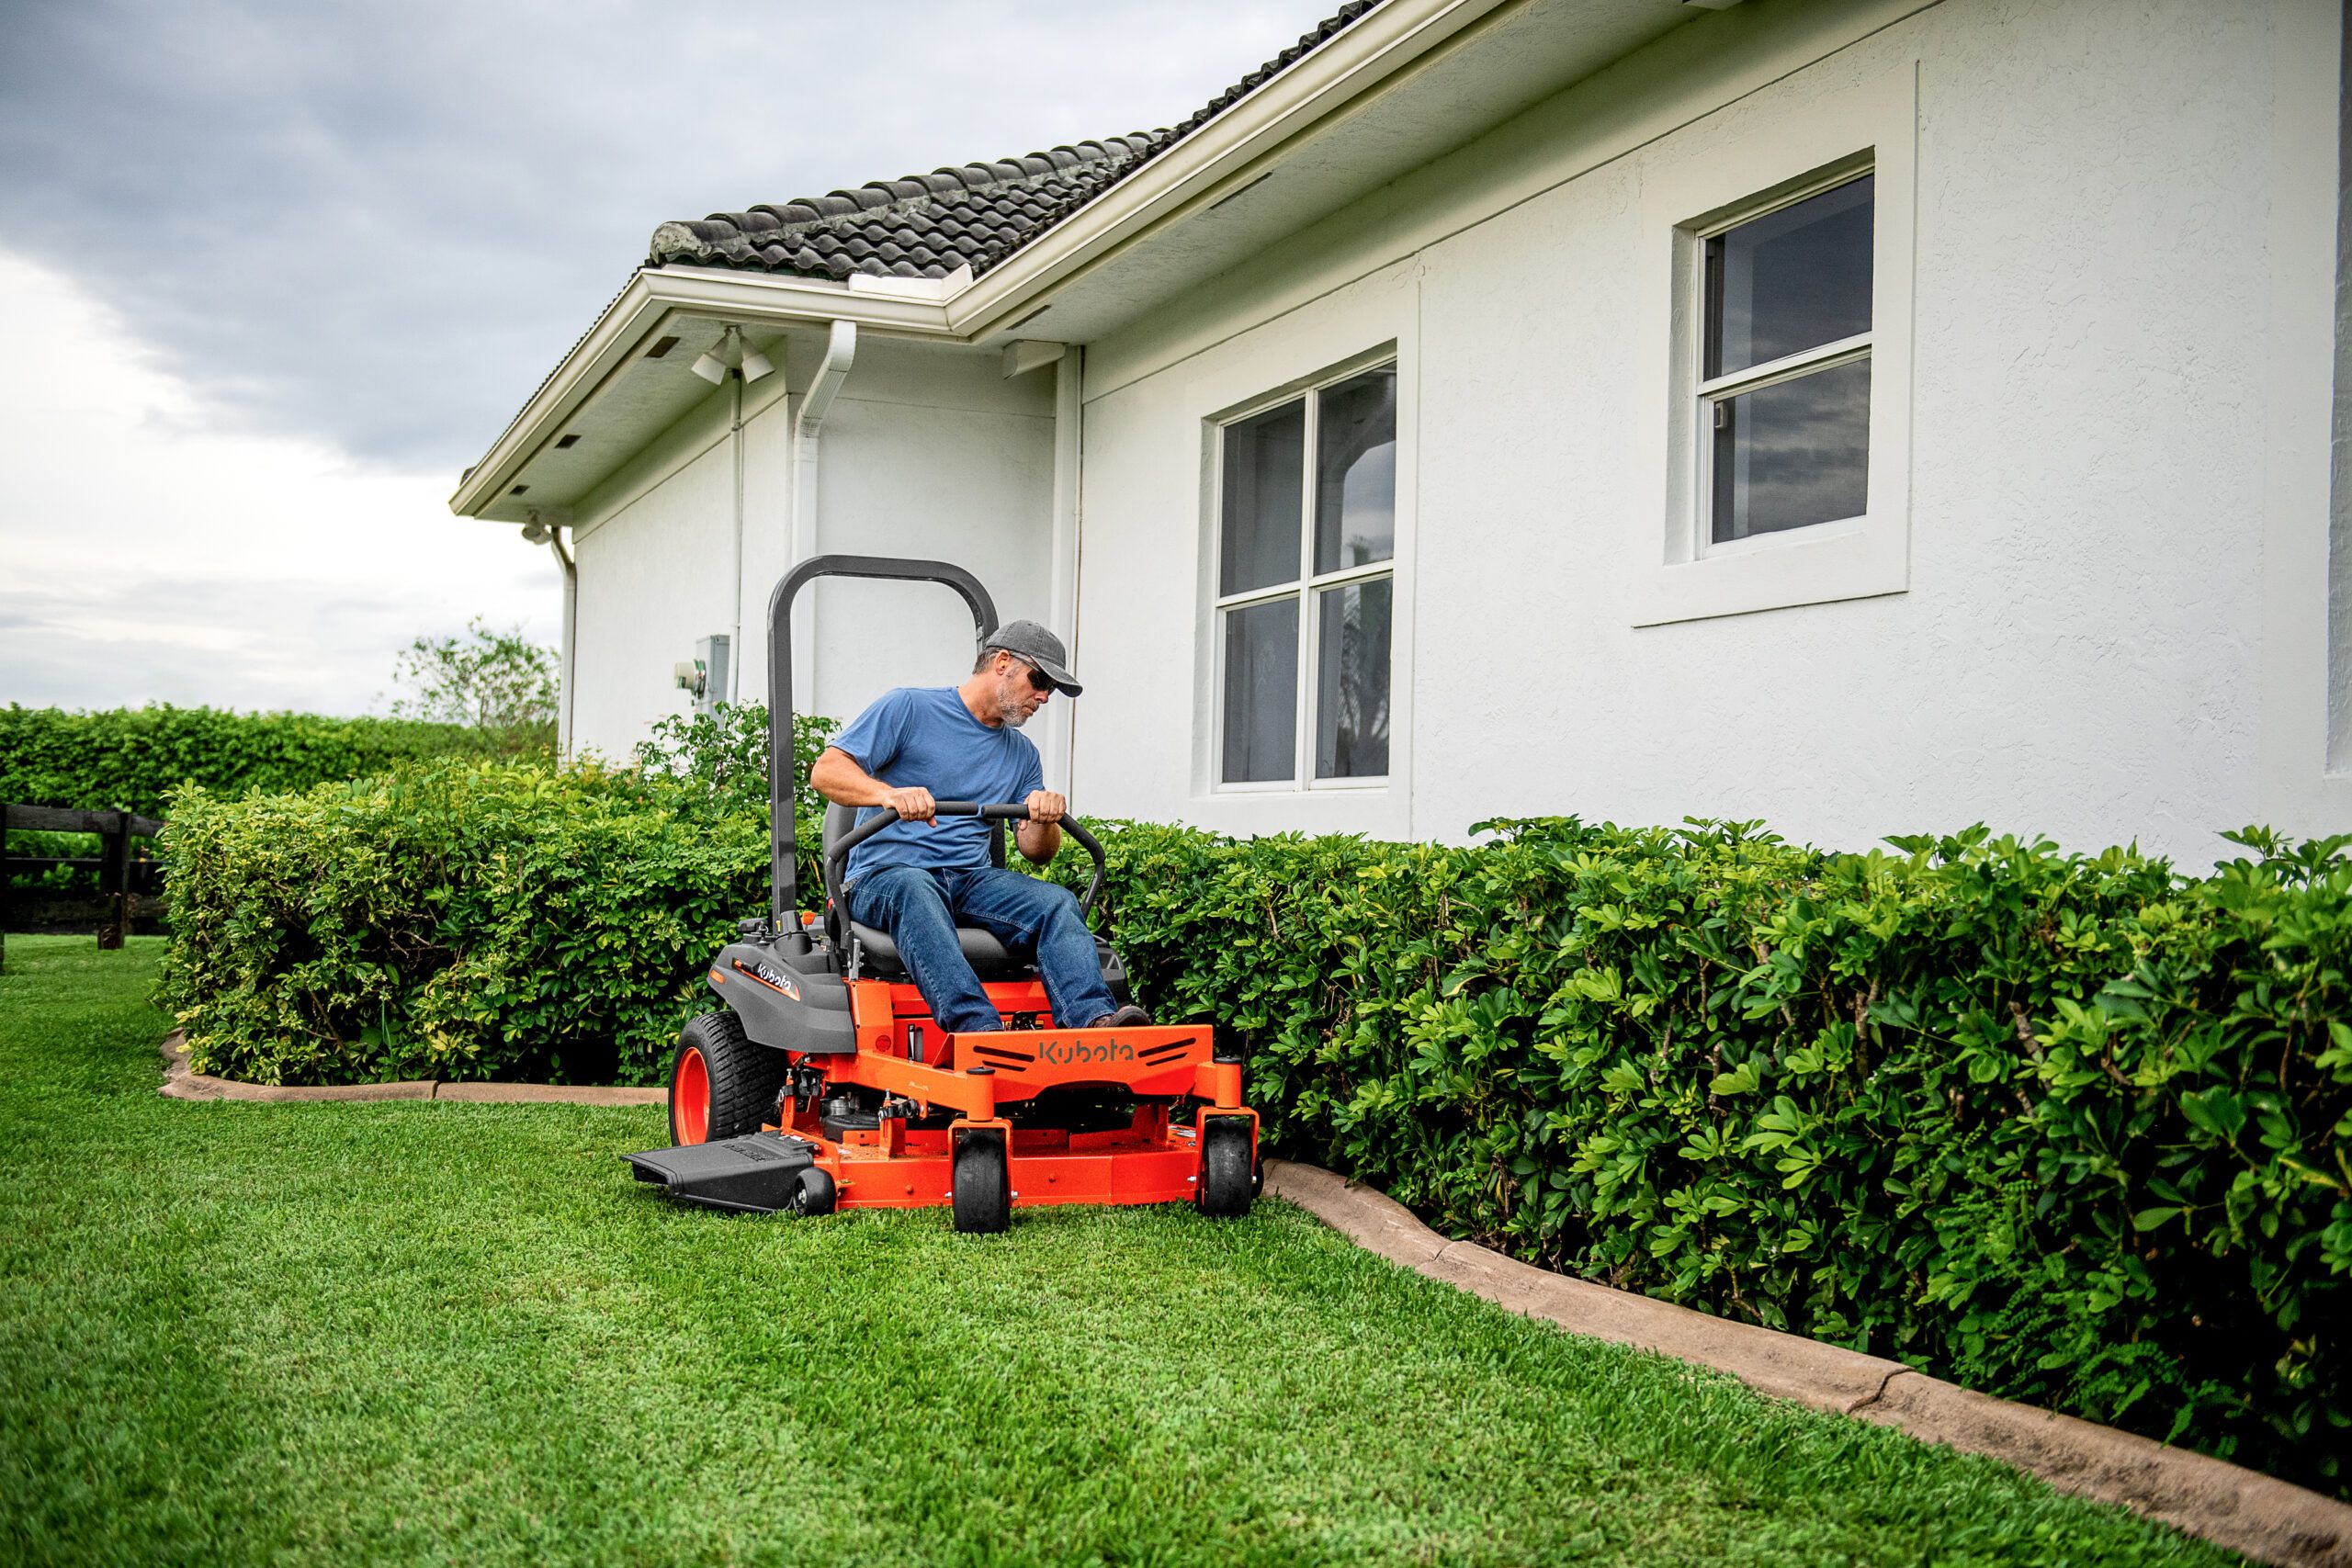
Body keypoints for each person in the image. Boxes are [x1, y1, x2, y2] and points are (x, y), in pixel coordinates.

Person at [808, 618, 1150, 1035]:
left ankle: (1093, 1022)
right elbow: (826, 772)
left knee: (1056, 903)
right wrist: (887, 794)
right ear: (1002, 662)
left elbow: (1037, 851)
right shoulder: (909, 709)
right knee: (917, 887)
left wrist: (1043, 816)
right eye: (1039, 679)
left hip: (969, 882)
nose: (1043, 696)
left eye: (1051, 690)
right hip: (884, 879)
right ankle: (978, 1032)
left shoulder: (1022, 754)